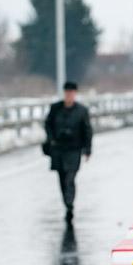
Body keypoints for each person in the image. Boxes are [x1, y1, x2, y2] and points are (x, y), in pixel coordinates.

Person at [45, 81, 93, 223]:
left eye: (71, 93)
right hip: (58, 149)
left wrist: (88, 149)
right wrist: (51, 139)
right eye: (67, 92)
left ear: (75, 94)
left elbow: (87, 130)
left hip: (74, 150)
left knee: (70, 178)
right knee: (61, 178)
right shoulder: (55, 108)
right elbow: (48, 124)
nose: (69, 95)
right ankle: (66, 204)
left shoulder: (81, 111)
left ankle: (70, 203)